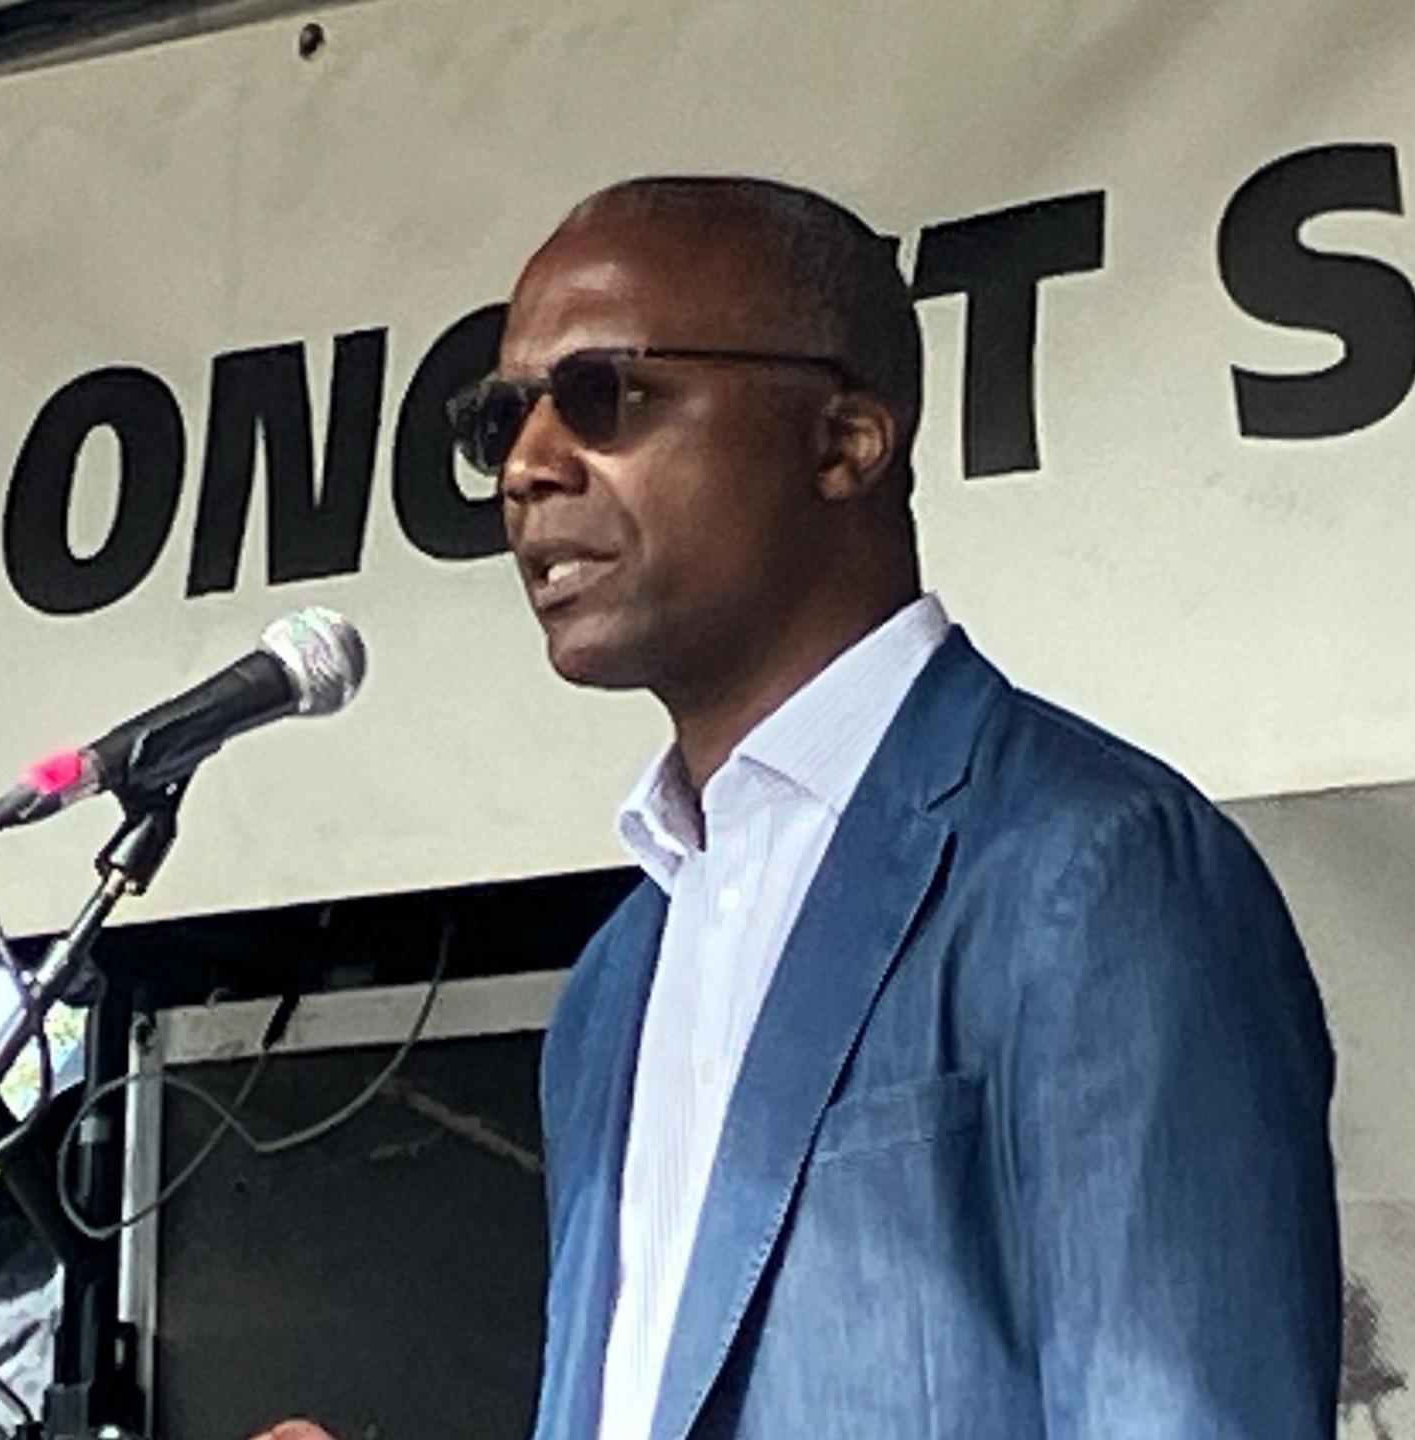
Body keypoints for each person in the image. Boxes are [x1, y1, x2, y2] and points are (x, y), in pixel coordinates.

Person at [256, 175, 1340, 1440]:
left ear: (843, 442)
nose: (531, 468)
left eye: (604, 397)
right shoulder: (613, 983)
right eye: (503, 419)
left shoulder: (1089, 871)